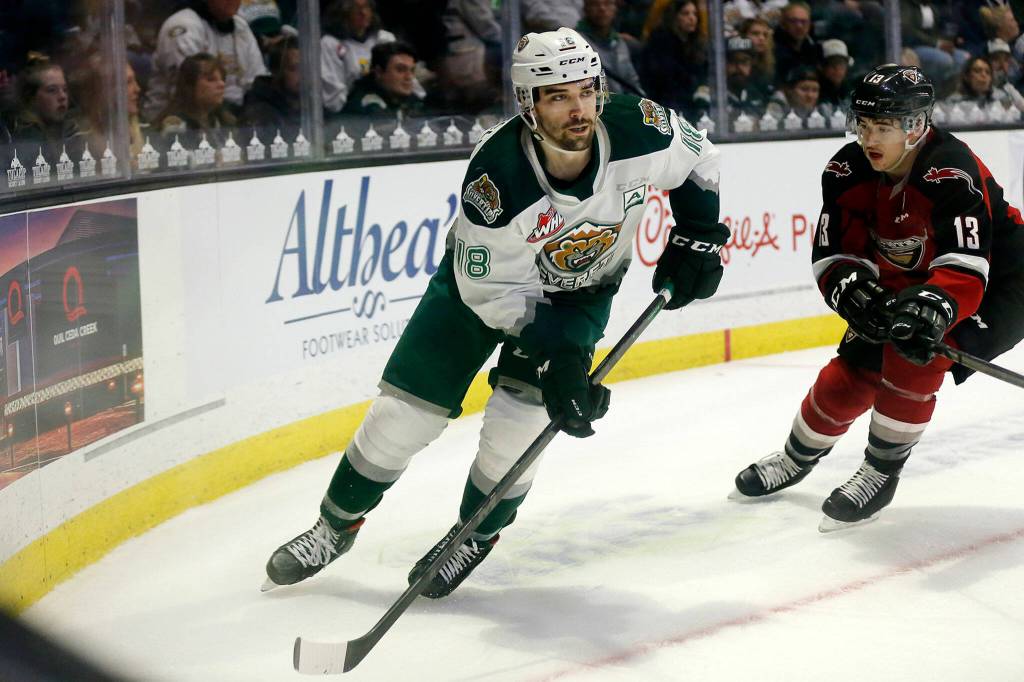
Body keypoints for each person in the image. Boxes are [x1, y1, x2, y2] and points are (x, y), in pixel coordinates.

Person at [263, 27, 729, 597]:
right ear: (528, 105)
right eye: (558, 96)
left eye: (585, 91)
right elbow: (491, 295)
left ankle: (473, 536)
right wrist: (557, 353)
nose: (578, 109)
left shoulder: (640, 127)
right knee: (402, 418)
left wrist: (700, 235)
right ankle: (334, 527)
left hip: (581, 291)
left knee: (521, 421)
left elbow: (700, 159)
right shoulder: (498, 177)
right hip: (475, 295)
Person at [731, 64, 1024, 531]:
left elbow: (967, 266)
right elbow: (835, 251)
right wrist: (853, 291)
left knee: (916, 353)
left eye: (883, 126)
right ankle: (795, 458)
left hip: (1004, 282)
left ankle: (880, 472)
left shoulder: (950, 169)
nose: (870, 138)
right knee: (851, 372)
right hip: (920, 278)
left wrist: (933, 308)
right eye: (864, 124)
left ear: (915, 126)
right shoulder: (848, 171)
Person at [144, 0, 268, 121]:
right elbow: (190, 93)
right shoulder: (182, 26)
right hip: (177, 123)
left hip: (230, 117)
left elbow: (257, 79)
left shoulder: (240, 26)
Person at [320, 0, 397, 114]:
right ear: (343, 12)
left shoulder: (384, 39)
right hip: (350, 113)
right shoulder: (330, 44)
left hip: (387, 107)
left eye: (366, 6)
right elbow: (333, 97)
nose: (363, 12)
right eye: (355, 8)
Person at [638, 0, 709, 121]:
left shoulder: (696, 46)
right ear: (674, 17)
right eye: (685, 14)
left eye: (694, 14)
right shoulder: (659, 42)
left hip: (690, 107)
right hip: (665, 107)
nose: (692, 18)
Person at [156, 53, 237, 142]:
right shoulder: (175, 125)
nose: (222, 84)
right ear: (190, 86)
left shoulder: (223, 122)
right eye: (211, 79)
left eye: (222, 79)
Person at [576, 0, 644, 96]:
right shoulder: (577, 42)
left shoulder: (620, 42)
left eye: (607, 3)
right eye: (595, 4)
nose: (602, 9)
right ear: (585, 9)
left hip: (626, 104)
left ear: (615, 8)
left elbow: (632, 81)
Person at [341, 40, 424, 117]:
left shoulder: (412, 100)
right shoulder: (366, 105)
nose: (409, 77)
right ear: (379, 72)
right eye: (400, 70)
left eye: (412, 70)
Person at [241, 36, 302, 136]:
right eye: (294, 68)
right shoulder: (259, 111)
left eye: (307, 67)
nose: (304, 75)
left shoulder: (314, 103)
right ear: (276, 72)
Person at [773, 2, 818, 89]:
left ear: (809, 24)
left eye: (804, 21)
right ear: (783, 23)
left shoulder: (812, 49)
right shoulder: (772, 49)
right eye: (793, 21)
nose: (799, 26)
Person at [725, 36, 768, 119]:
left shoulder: (760, 93)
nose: (739, 67)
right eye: (733, 61)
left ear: (752, 64)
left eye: (744, 62)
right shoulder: (711, 96)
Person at [817, 38, 853, 110]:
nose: (838, 70)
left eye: (842, 65)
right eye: (832, 64)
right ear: (822, 67)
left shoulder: (850, 94)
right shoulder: (814, 93)